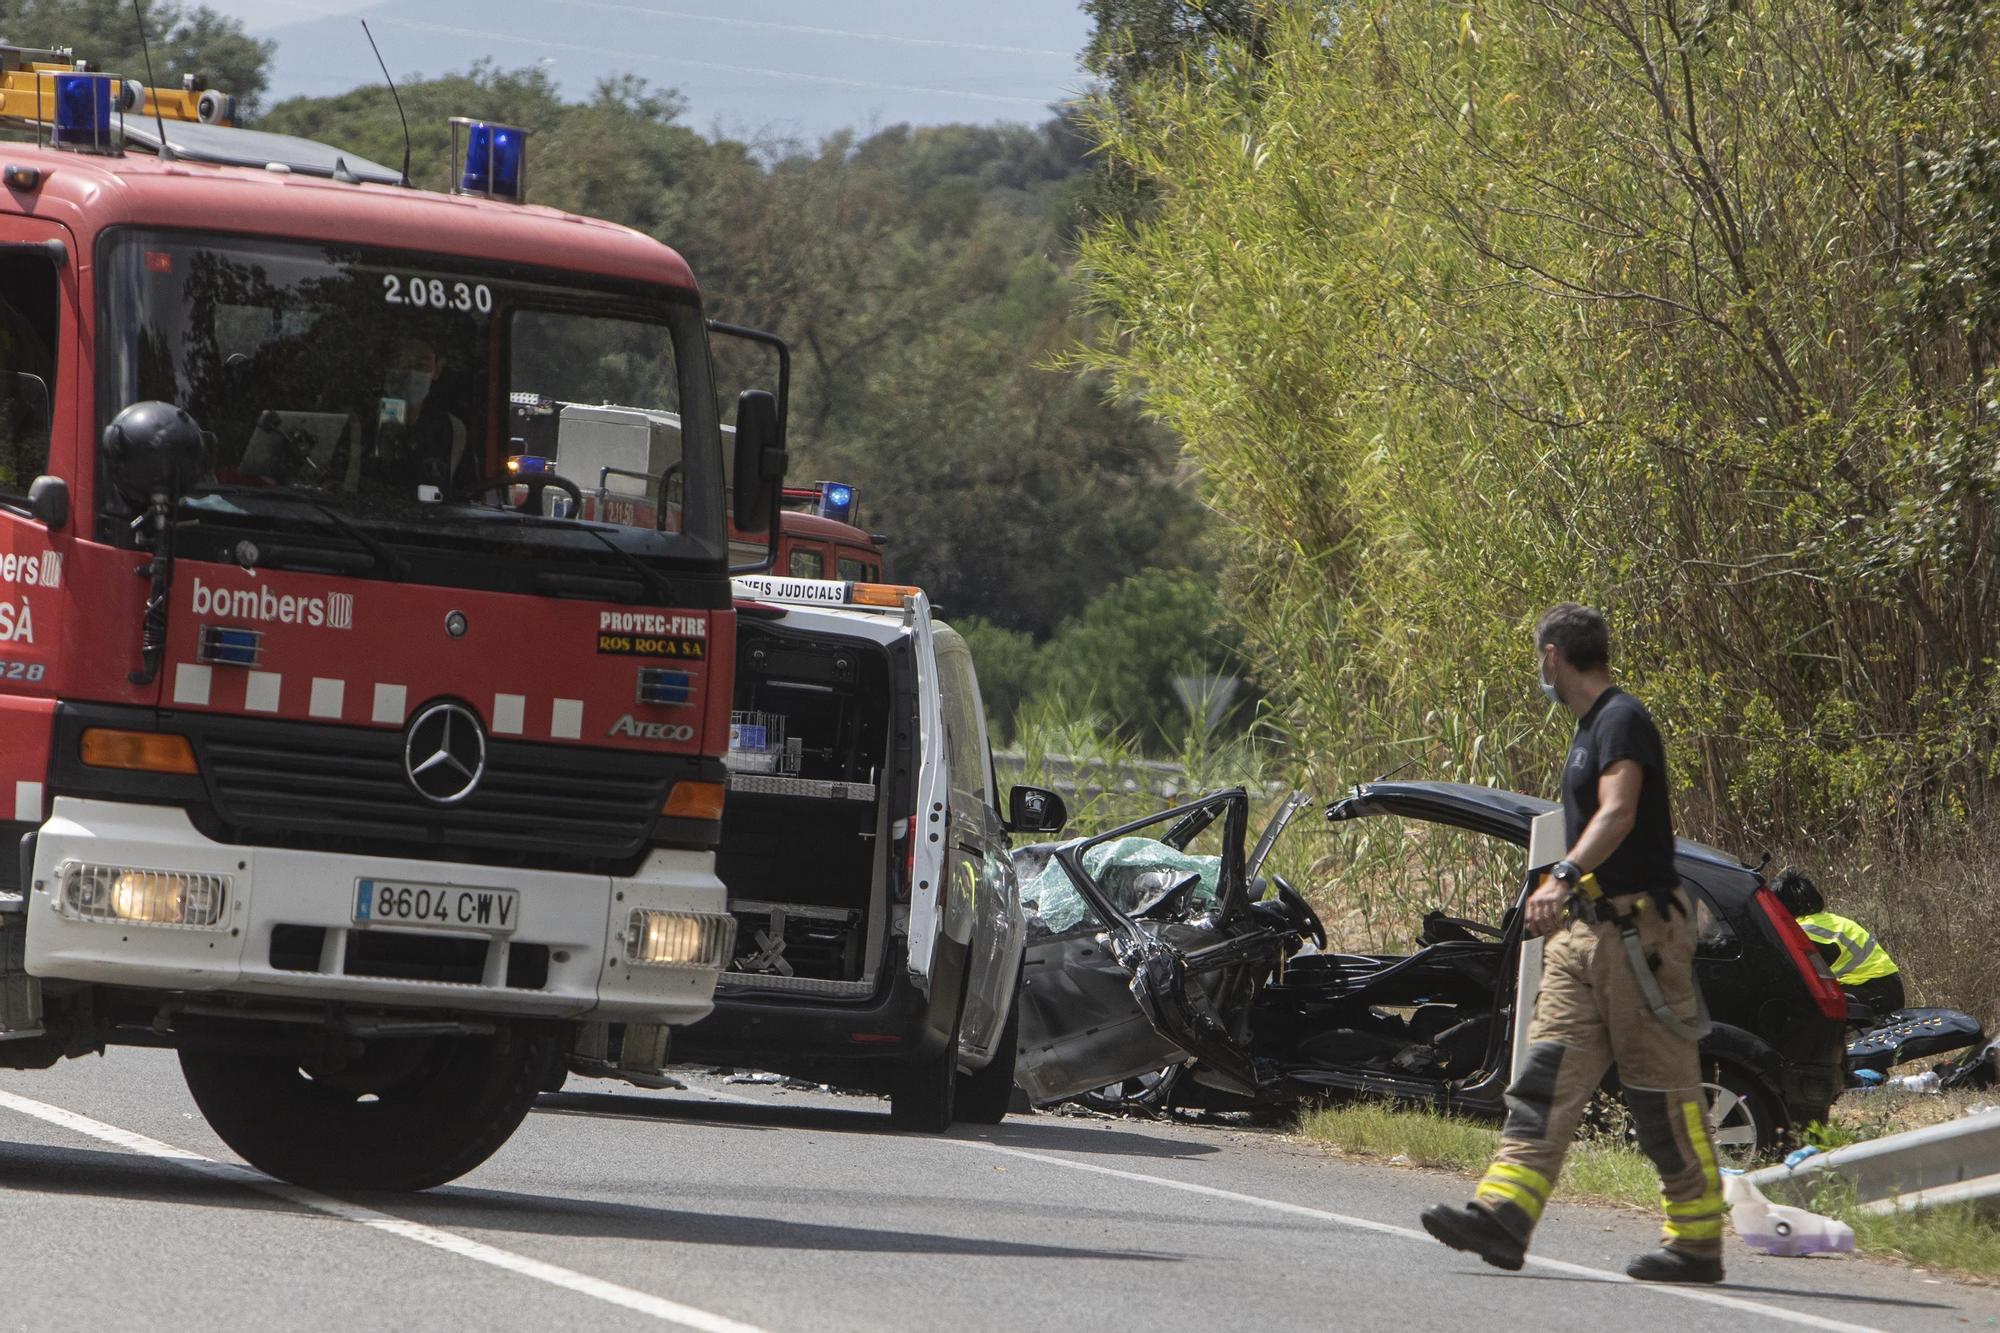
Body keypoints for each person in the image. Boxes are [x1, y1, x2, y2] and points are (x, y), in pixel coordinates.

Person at [1421, 603, 1726, 1284]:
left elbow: (1619, 809)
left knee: (1662, 1097)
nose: (1541, 673)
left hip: (1639, 938)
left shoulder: (1622, 719)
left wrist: (1563, 873)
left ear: (1553, 655)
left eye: (1539, 661)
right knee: (1543, 1081)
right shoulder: (1591, 728)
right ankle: (1504, 1214)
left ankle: (1697, 1240)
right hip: (1586, 937)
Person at [1773, 870, 1904, 1020]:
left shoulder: (1804, 932)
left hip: (1871, 993)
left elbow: (1796, 977)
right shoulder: (1830, 921)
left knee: (1802, 1004)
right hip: (1888, 989)